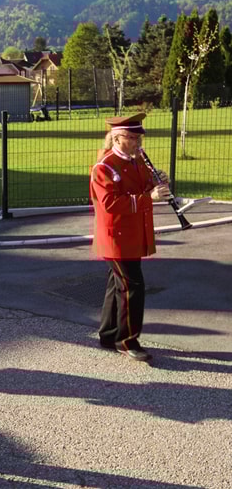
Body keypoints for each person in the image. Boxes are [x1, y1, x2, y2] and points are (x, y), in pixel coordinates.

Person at [90, 113, 170, 362]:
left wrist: (159, 185)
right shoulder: (104, 167)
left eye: (139, 137)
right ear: (118, 138)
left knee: (118, 284)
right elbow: (110, 204)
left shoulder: (137, 163)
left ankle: (109, 334)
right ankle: (127, 341)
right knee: (132, 287)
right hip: (117, 237)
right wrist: (150, 197)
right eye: (133, 138)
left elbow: (144, 189)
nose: (138, 143)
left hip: (132, 233)